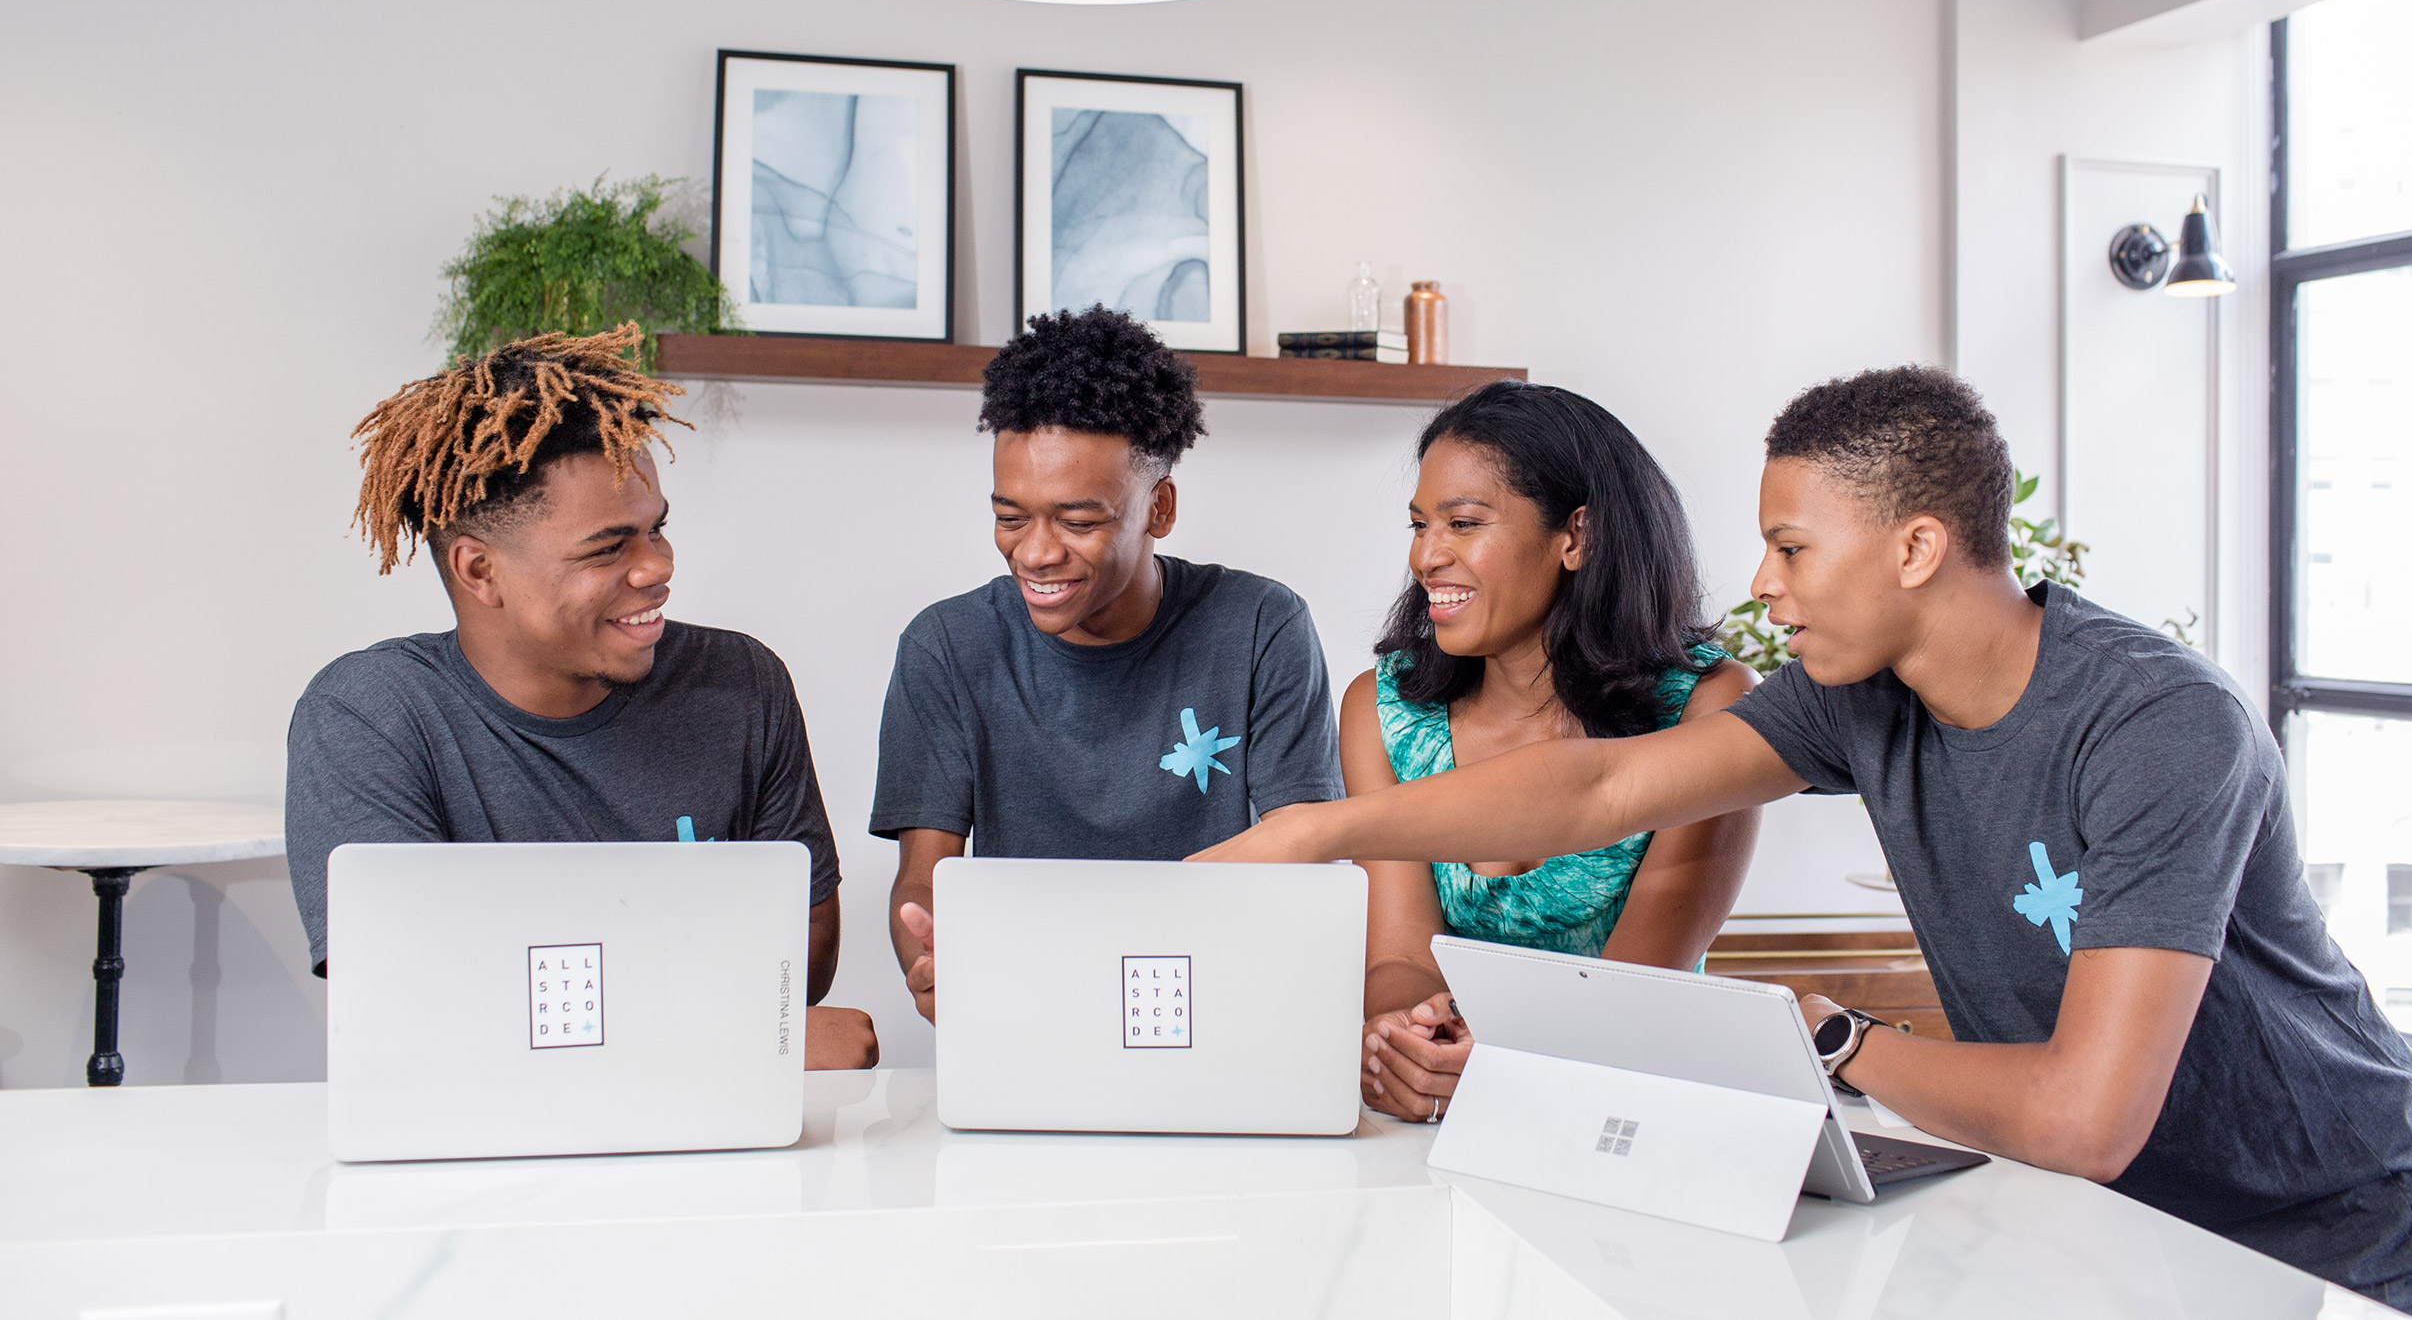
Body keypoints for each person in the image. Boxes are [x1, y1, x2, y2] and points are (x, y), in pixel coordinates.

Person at [1201, 365, 2412, 1320]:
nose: (1761, 582)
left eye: (1793, 547)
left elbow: (2085, 1113)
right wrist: (1323, 826)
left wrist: (1832, 1034)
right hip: (2106, 1217)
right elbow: (1596, 792)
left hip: (2321, 1231)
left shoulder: (2156, 724)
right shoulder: (1852, 695)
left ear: (1916, 546)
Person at [285, 325, 878, 1070]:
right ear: (479, 571)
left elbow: (801, 969)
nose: (657, 566)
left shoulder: (741, 683)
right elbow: (408, 1008)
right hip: (481, 1159)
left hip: (715, 1143)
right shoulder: (369, 716)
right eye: (608, 547)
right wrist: (737, 1027)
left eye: (657, 530)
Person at [873, 306, 1344, 1022]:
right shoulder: (947, 645)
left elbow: (1306, 863)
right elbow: (923, 877)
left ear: (1159, 508)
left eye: (1078, 521)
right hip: (1028, 1011)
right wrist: (932, 955)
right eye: (1010, 516)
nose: (1035, 551)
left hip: (1216, 1011)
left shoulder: (1262, 628)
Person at [1350, 382, 1759, 1124]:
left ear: (1577, 536)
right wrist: (1404, 1038)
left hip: (1632, 1119)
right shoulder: (1382, 709)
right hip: (1451, 1124)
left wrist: (1502, 1057)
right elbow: (1400, 959)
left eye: (1464, 523)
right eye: (1419, 524)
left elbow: (1643, 981)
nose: (1426, 555)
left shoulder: (1709, 708)